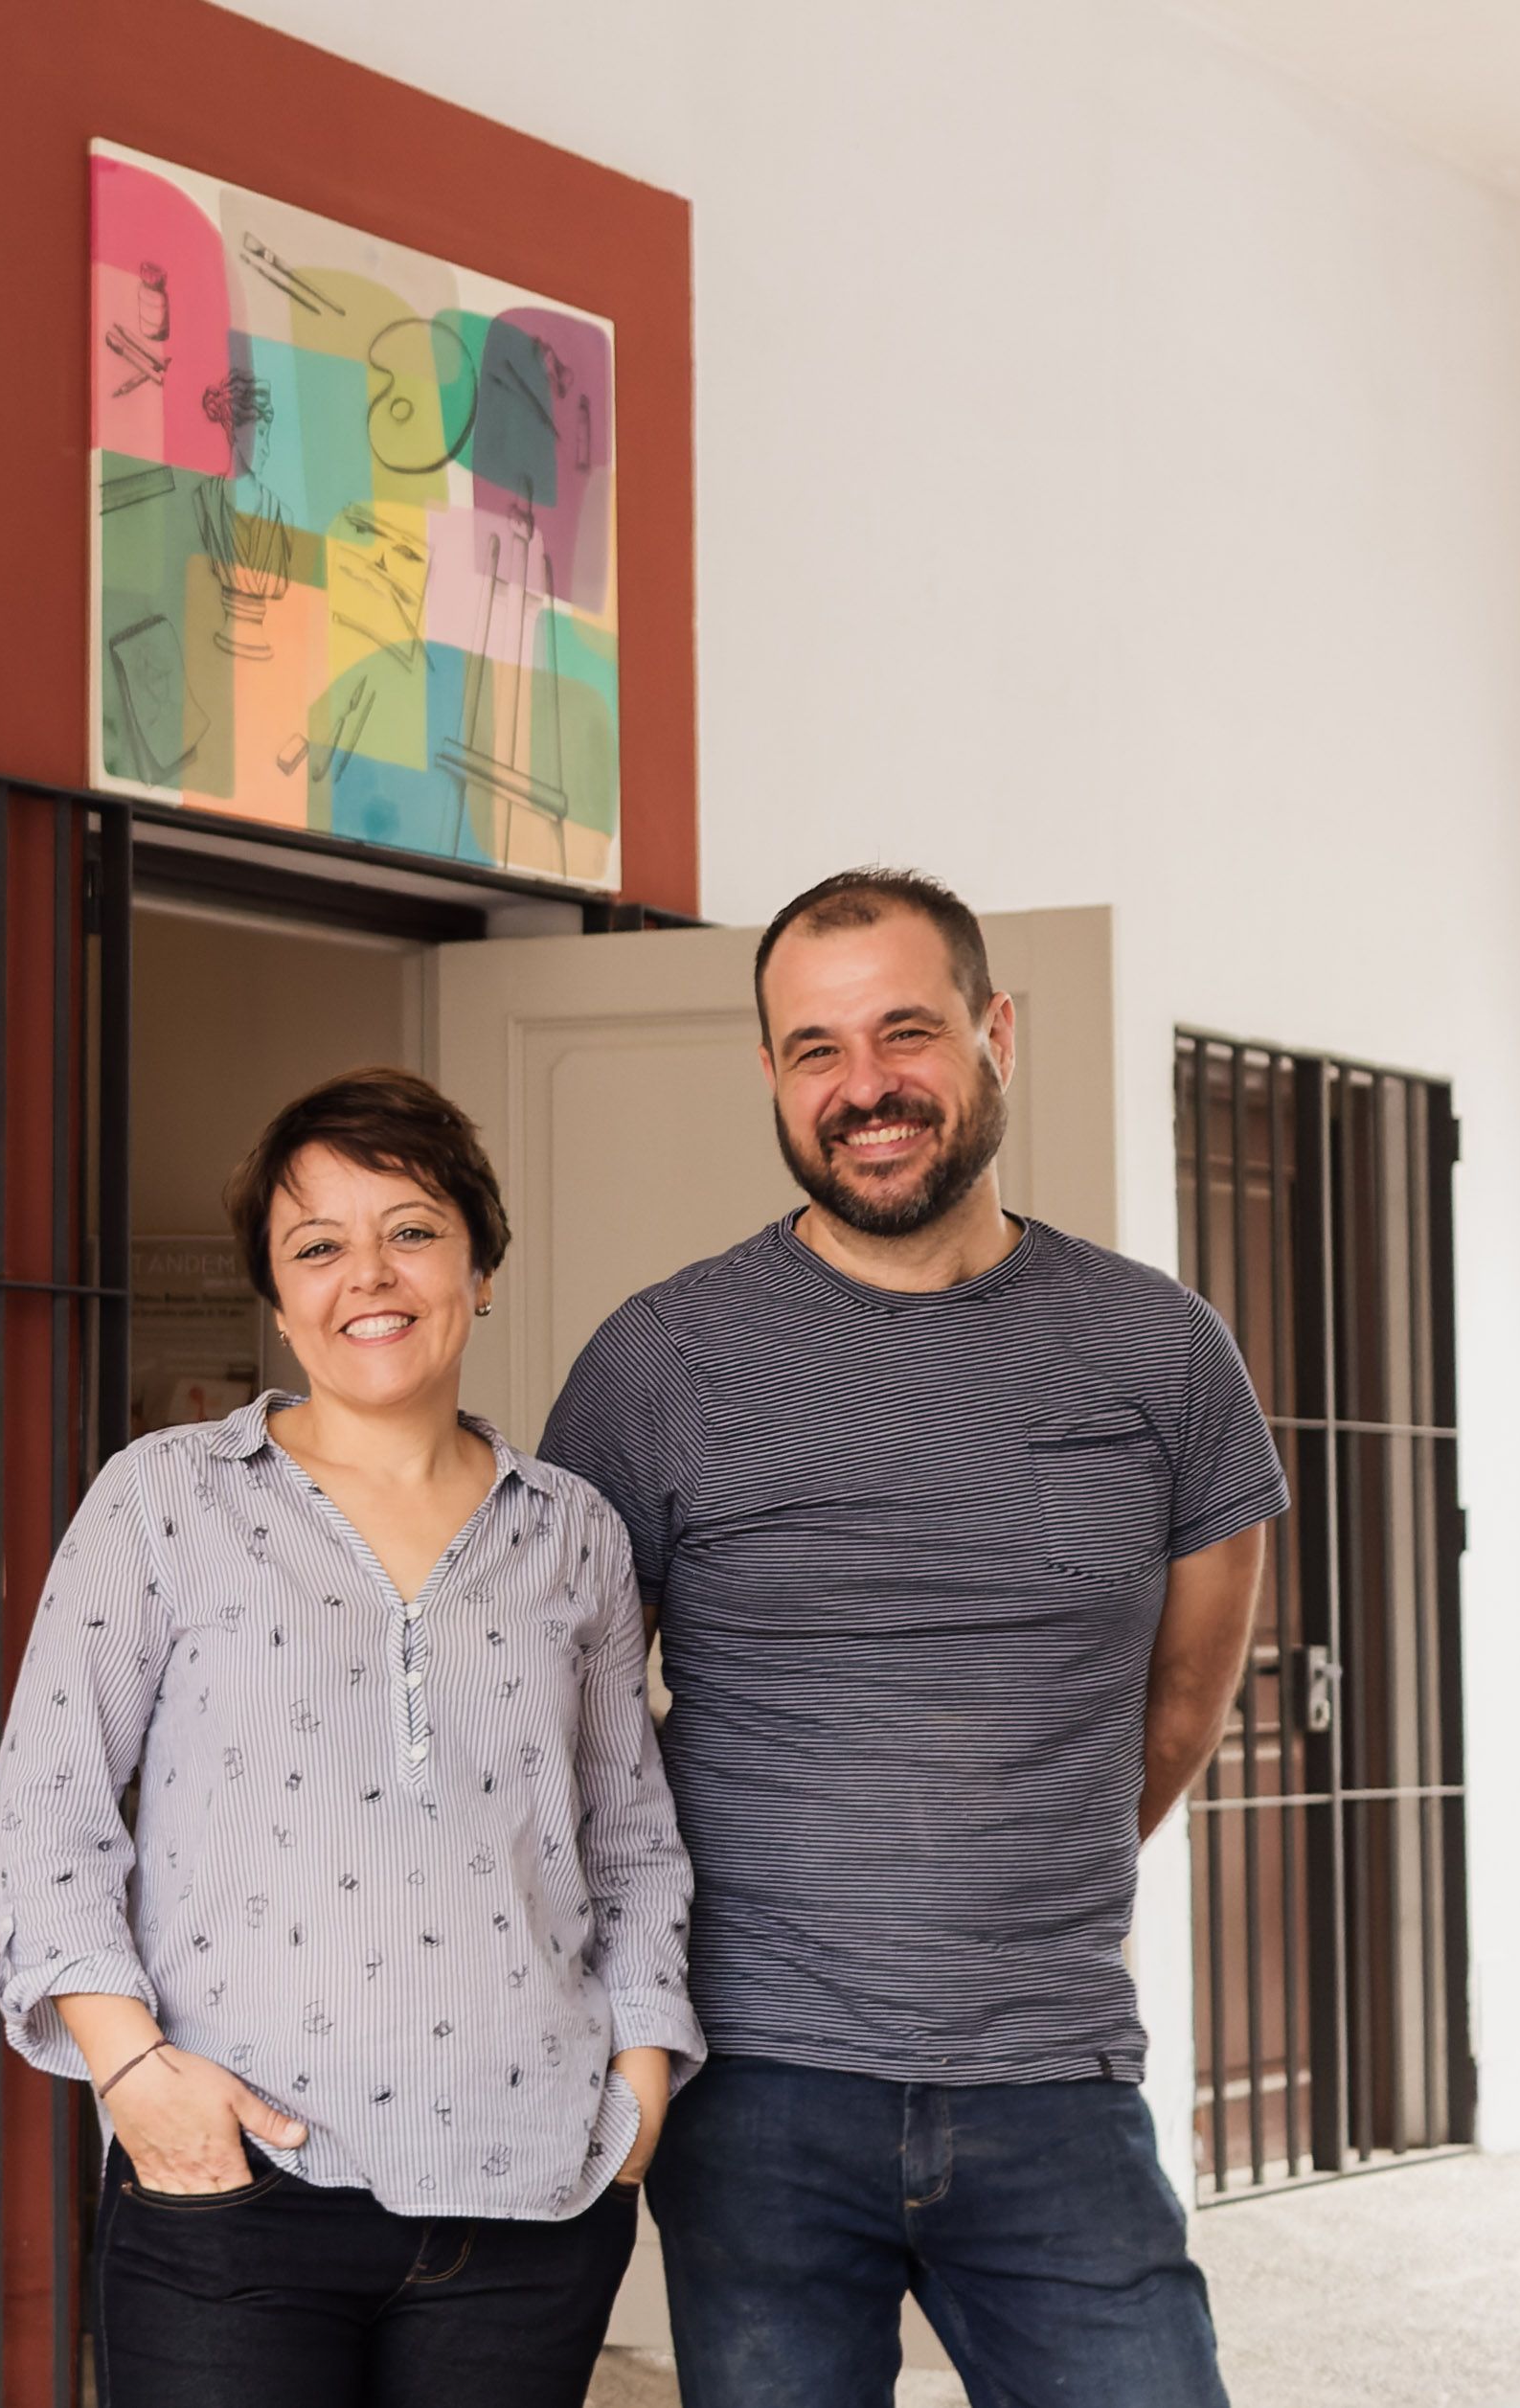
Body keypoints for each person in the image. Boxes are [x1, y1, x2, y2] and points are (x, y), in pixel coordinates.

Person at [537, 870, 1285, 2408]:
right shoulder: (658, 1362)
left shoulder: (1163, 1352)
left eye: (904, 1031)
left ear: (994, 1030)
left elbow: (1181, 1706)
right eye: (814, 1048)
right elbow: (582, 1735)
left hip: (1056, 2075)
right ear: (769, 1074)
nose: (864, 1086)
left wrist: (1007, 1878)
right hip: (756, 2090)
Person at [0, 1067, 700, 2408]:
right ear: (277, 1289)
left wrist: (642, 2076)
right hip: (233, 2189)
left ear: (480, 1265)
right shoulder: (165, 1500)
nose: (367, 1273)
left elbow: (631, 1836)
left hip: (530, 2198)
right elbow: (47, 1807)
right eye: (317, 1244)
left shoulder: (575, 1532)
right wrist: (134, 2072)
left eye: (413, 1229)